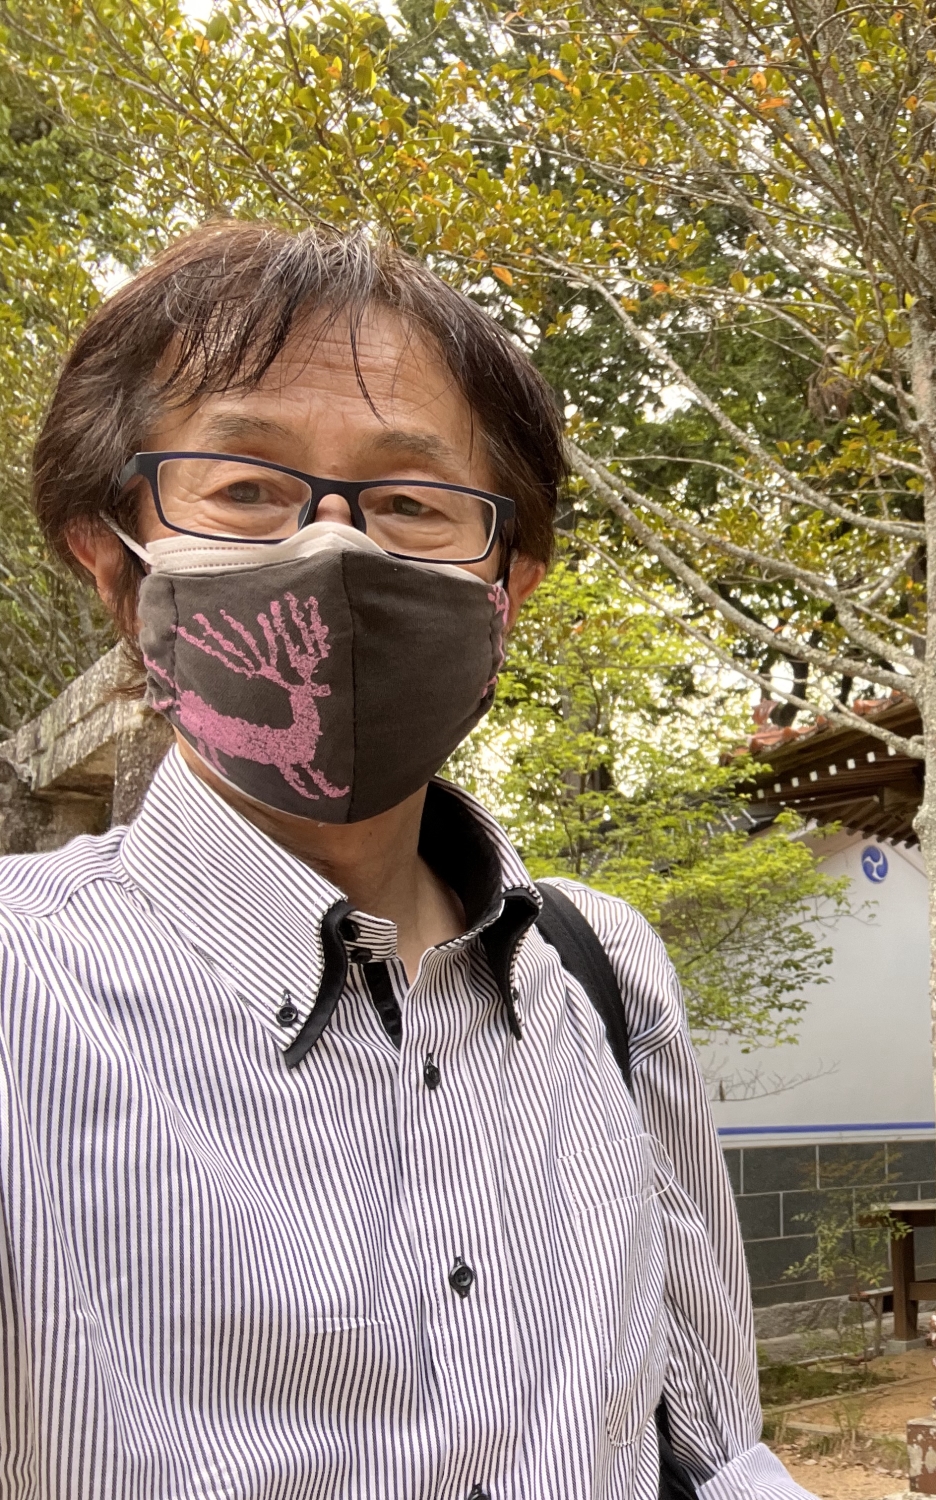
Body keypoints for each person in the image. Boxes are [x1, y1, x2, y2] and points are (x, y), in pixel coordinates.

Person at [0, 222, 815, 1499]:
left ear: (510, 588)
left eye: (411, 503)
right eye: (246, 487)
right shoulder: (22, 994)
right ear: (114, 559)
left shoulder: (605, 973)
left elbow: (718, 1458)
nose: (333, 547)